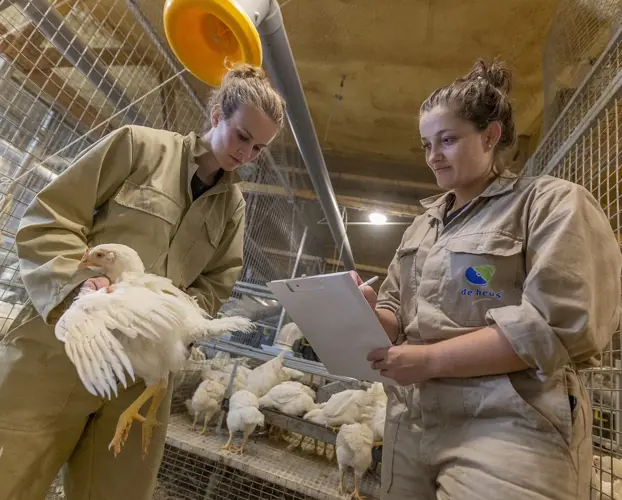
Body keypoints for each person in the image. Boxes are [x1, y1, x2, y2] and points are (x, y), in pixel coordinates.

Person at [0, 63, 285, 500]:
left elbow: (216, 283)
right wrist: (79, 288)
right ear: (216, 117)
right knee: (11, 470)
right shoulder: (138, 146)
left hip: (142, 372)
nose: (246, 155)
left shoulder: (233, 208)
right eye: (242, 136)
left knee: (118, 490)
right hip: (64, 344)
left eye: (259, 148)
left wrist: (176, 317)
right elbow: (49, 219)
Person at [352, 59, 622, 499]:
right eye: (426, 144)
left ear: (491, 135)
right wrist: (362, 312)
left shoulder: (549, 204)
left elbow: (557, 327)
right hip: (411, 419)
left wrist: (430, 360)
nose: (433, 156)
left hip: (509, 423)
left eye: (448, 140)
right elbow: (394, 310)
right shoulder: (422, 226)